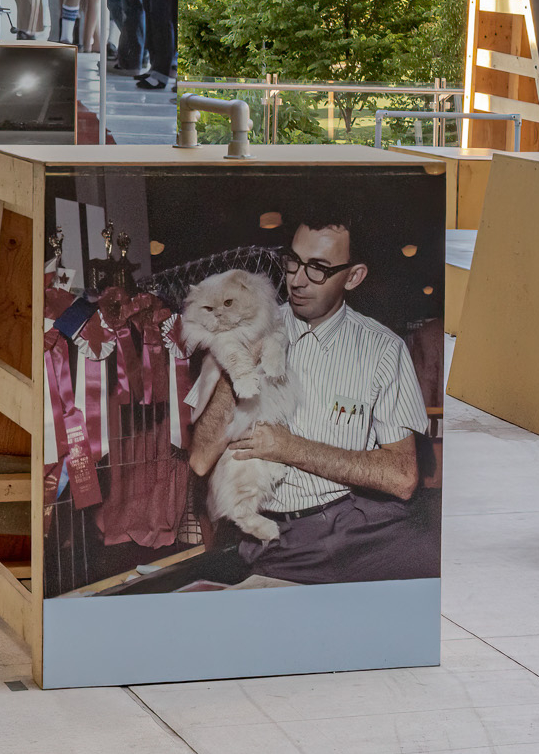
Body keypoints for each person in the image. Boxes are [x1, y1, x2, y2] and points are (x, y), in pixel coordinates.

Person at [186, 218, 434, 584]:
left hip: (360, 527)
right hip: (281, 540)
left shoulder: (383, 349)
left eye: (317, 269)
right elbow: (200, 459)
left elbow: (402, 476)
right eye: (293, 262)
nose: (297, 280)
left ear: (353, 276)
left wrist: (289, 448)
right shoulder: (248, 323)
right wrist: (237, 364)